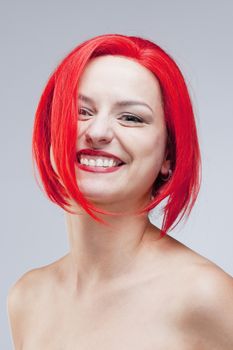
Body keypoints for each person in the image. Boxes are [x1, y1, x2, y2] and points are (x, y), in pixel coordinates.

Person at [7, 33, 233, 349]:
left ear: (169, 154)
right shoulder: (27, 298)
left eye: (131, 117)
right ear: (50, 135)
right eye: (81, 111)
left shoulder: (205, 296)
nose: (97, 132)